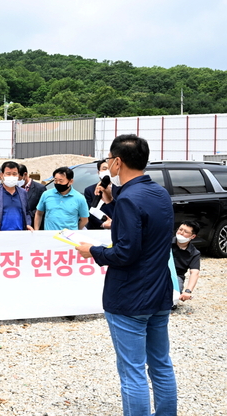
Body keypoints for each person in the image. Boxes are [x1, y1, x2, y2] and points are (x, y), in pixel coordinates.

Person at [76, 134, 177, 416]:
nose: (108, 164)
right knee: (161, 364)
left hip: (130, 296)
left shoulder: (130, 199)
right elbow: (139, 215)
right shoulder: (159, 193)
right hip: (159, 292)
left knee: (132, 371)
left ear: (117, 162)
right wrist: (112, 198)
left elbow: (125, 253)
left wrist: (93, 251)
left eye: (109, 160)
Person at [0, 161, 32, 231]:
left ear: (18, 175)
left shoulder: (23, 193)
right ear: (2, 175)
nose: (11, 176)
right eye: (8, 174)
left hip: (20, 233)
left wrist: (28, 224)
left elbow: (27, 212)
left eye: (14, 174)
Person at [172, 220, 201, 302]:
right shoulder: (166, 242)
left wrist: (188, 291)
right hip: (159, 272)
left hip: (176, 276)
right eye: (180, 229)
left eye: (186, 232)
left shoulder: (194, 253)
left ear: (193, 236)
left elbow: (194, 273)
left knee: (173, 298)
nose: (181, 233)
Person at [83, 160, 115, 230]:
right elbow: (88, 211)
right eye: (104, 169)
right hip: (96, 229)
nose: (107, 171)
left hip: (115, 227)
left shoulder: (120, 188)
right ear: (98, 172)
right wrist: (102, 224)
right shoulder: (90, 190)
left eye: (110, 168)